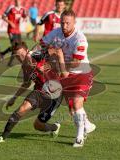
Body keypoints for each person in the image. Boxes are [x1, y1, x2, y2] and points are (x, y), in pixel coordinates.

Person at [41, 10, 96, 147]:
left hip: (81, 73)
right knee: (72, 109)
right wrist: (49, 50)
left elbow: (77, 63)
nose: (64, 26)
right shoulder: (56, 32)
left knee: (77, 103)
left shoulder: (80, 38)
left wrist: (59, 60)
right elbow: (42, 43)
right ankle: (87, 125)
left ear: (74, 23)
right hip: (65, 73)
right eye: (62, 22)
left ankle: (79, 137)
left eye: (67, 23)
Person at [0, 42, 62, 144]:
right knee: (22, 108)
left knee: (38, 125)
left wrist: (57, 68)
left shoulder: (36, 55)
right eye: (17, 56)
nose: (20, 58)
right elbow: (26, 84)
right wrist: (14, 98)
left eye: (22, 55)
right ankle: (2, 137)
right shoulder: (25, 67)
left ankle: (55, 127)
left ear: (27, 51)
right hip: (38, 92)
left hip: (54, 94)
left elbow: (56, 51)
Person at [0, 0, 27, 66]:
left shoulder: (22, 9)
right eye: (17, 1)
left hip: (18, 30)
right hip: (11, 30)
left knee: (19, 47)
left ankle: (3, 54)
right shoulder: (11, 8)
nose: (18, 2)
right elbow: (3, 16)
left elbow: (24, 16)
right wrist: (10, 22)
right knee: (15, 46)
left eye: (19, 1)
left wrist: (25, 18)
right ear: (15, 1)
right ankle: (10, 61)